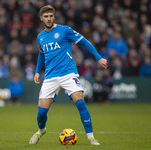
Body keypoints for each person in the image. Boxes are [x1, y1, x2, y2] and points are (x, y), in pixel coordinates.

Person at [29, 5, 107, 146]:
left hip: (68, 73)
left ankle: (91, 138)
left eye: (51, 16)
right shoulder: (40, 36)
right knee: (41, 113)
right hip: (50, 77)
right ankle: (41, 131)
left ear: (54, 16)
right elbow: (42, 54)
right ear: (41, 18)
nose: (49, 19)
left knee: (81, 103)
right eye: (46, 16)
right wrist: (36, 71)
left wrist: (99, 57)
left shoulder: (65, 30)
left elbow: (84, 42)